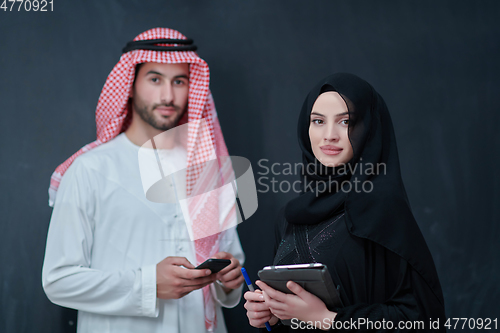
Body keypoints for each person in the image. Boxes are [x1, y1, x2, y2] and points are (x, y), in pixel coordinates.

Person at [42, 28, 245, 333]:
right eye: (155, 79)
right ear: (131, 85)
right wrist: (148, 284)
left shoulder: (204, 168)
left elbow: (231, 261)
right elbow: (58, 281)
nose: (168, 95)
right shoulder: (91, 170)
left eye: (180, 81)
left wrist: (229, 280)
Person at [244, 73, 446, 332]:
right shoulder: (289, 217)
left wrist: (328, 320)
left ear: (369, 129)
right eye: (318, 121)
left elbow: (423, 318)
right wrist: (270, 313)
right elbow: (292, 317)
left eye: (346, 122)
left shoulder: (382, 210)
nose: (329, 135)